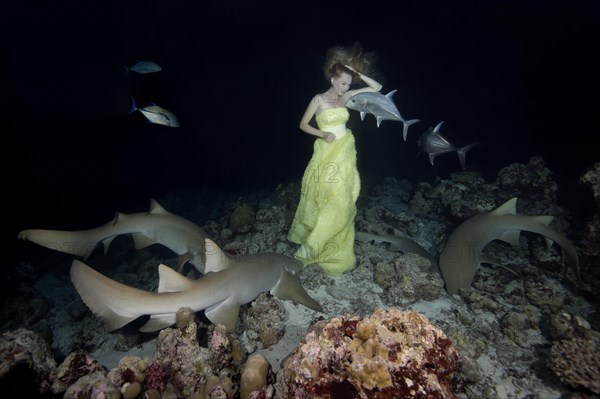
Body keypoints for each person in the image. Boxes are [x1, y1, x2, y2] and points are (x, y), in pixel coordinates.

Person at [287, 43, 383, 276]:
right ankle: (313, 248)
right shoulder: (318, 100)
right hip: (327, 153)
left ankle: (332, 249)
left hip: (346, 152)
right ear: (332, 80)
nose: (346, 88)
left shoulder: (348, 95)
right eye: (342, 83)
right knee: (325, 198)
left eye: (349, 84)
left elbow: (378, 87)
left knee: (344, 198)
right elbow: (302, 124)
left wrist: (356, 74)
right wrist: (322, 133)